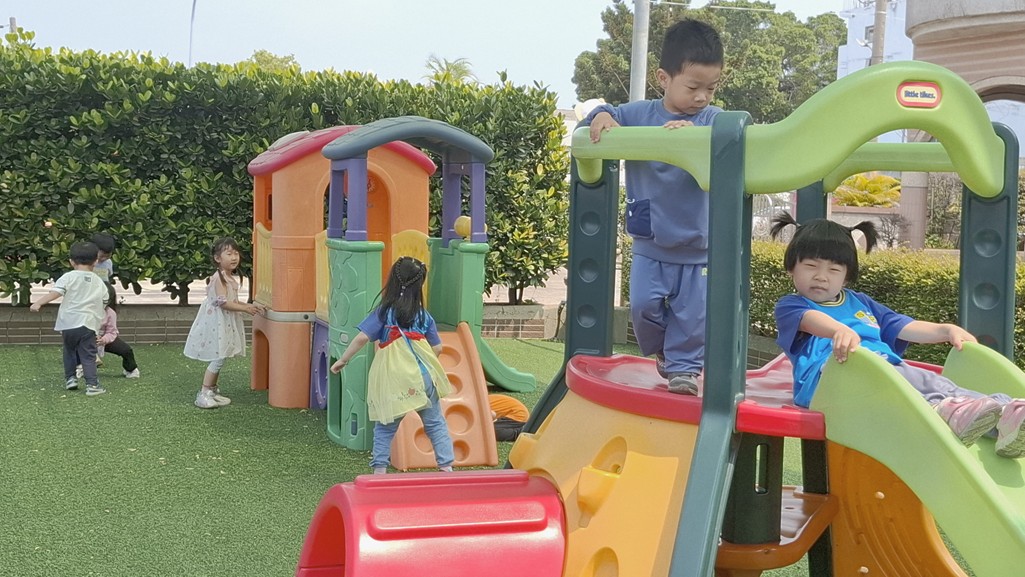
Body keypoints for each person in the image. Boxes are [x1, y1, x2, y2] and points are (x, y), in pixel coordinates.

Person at [770, 212, 1025, 458]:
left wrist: (945, 330)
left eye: (834, 270)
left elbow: (903, 326)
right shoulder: (791, 305)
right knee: (904, 387)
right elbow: (810, 320)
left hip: (883, 370)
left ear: (846, 277)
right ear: (792, 268)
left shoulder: (861, 303)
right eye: (811, 266)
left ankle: (1004, 415)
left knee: (931, 381)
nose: (821, 276)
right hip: (830, 383)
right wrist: (838, 330)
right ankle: (946, 410)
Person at [582, 18, 725, 395]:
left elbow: (737, 135)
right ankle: (664, 351)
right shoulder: (639, 115)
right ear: (664, 78)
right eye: (693, 87)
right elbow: (601, 114)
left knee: (693, 315)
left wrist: (701, 136)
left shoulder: (711, 119)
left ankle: (684, 369)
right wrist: (602, 115)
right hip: (651, 239)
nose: (702, 97)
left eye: (711, 88)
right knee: (643, 307)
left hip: (698, 244)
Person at [330, 256, 455, 474]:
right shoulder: (423, 316)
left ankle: (379, 470)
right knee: (435, 423)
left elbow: (362, 337)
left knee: (385, 427)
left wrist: (343, 360)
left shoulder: (384, 312)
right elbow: (437, 348)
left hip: (394, 379)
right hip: (423, 376)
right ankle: (446, 467)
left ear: (393, 281)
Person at [184, 237, 264, 409]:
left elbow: (231, 300)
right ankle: (204, 392)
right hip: (216, 322)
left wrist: (249, 306)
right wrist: (246, 308)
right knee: (218, 357)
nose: (234, 257)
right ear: (217, 258)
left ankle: (211, 391)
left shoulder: (228, 278)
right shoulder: (219, 278)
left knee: (221, 355)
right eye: (229, 254)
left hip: (223, 321)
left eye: (236, 253)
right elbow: (223, 303)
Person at [29, 241, 109, 396]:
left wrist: (38, 303)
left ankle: (70, 379)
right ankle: (92, 385)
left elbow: (56, 292)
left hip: (68, 323)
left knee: (69, 350)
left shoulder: (68, 277)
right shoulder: (98, 281)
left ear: (71, 261)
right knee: (88, 355)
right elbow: (105, 300)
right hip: (88, 323)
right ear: (95, 261)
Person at [96, 283, 140, 379]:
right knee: (75, 346)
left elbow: (112, 332)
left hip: (105, 339)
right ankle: (79, 367)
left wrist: (103, 340)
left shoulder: (110, 313)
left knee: (126, 350)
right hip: (87, 338)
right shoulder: (85, 311)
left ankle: (130, 369)